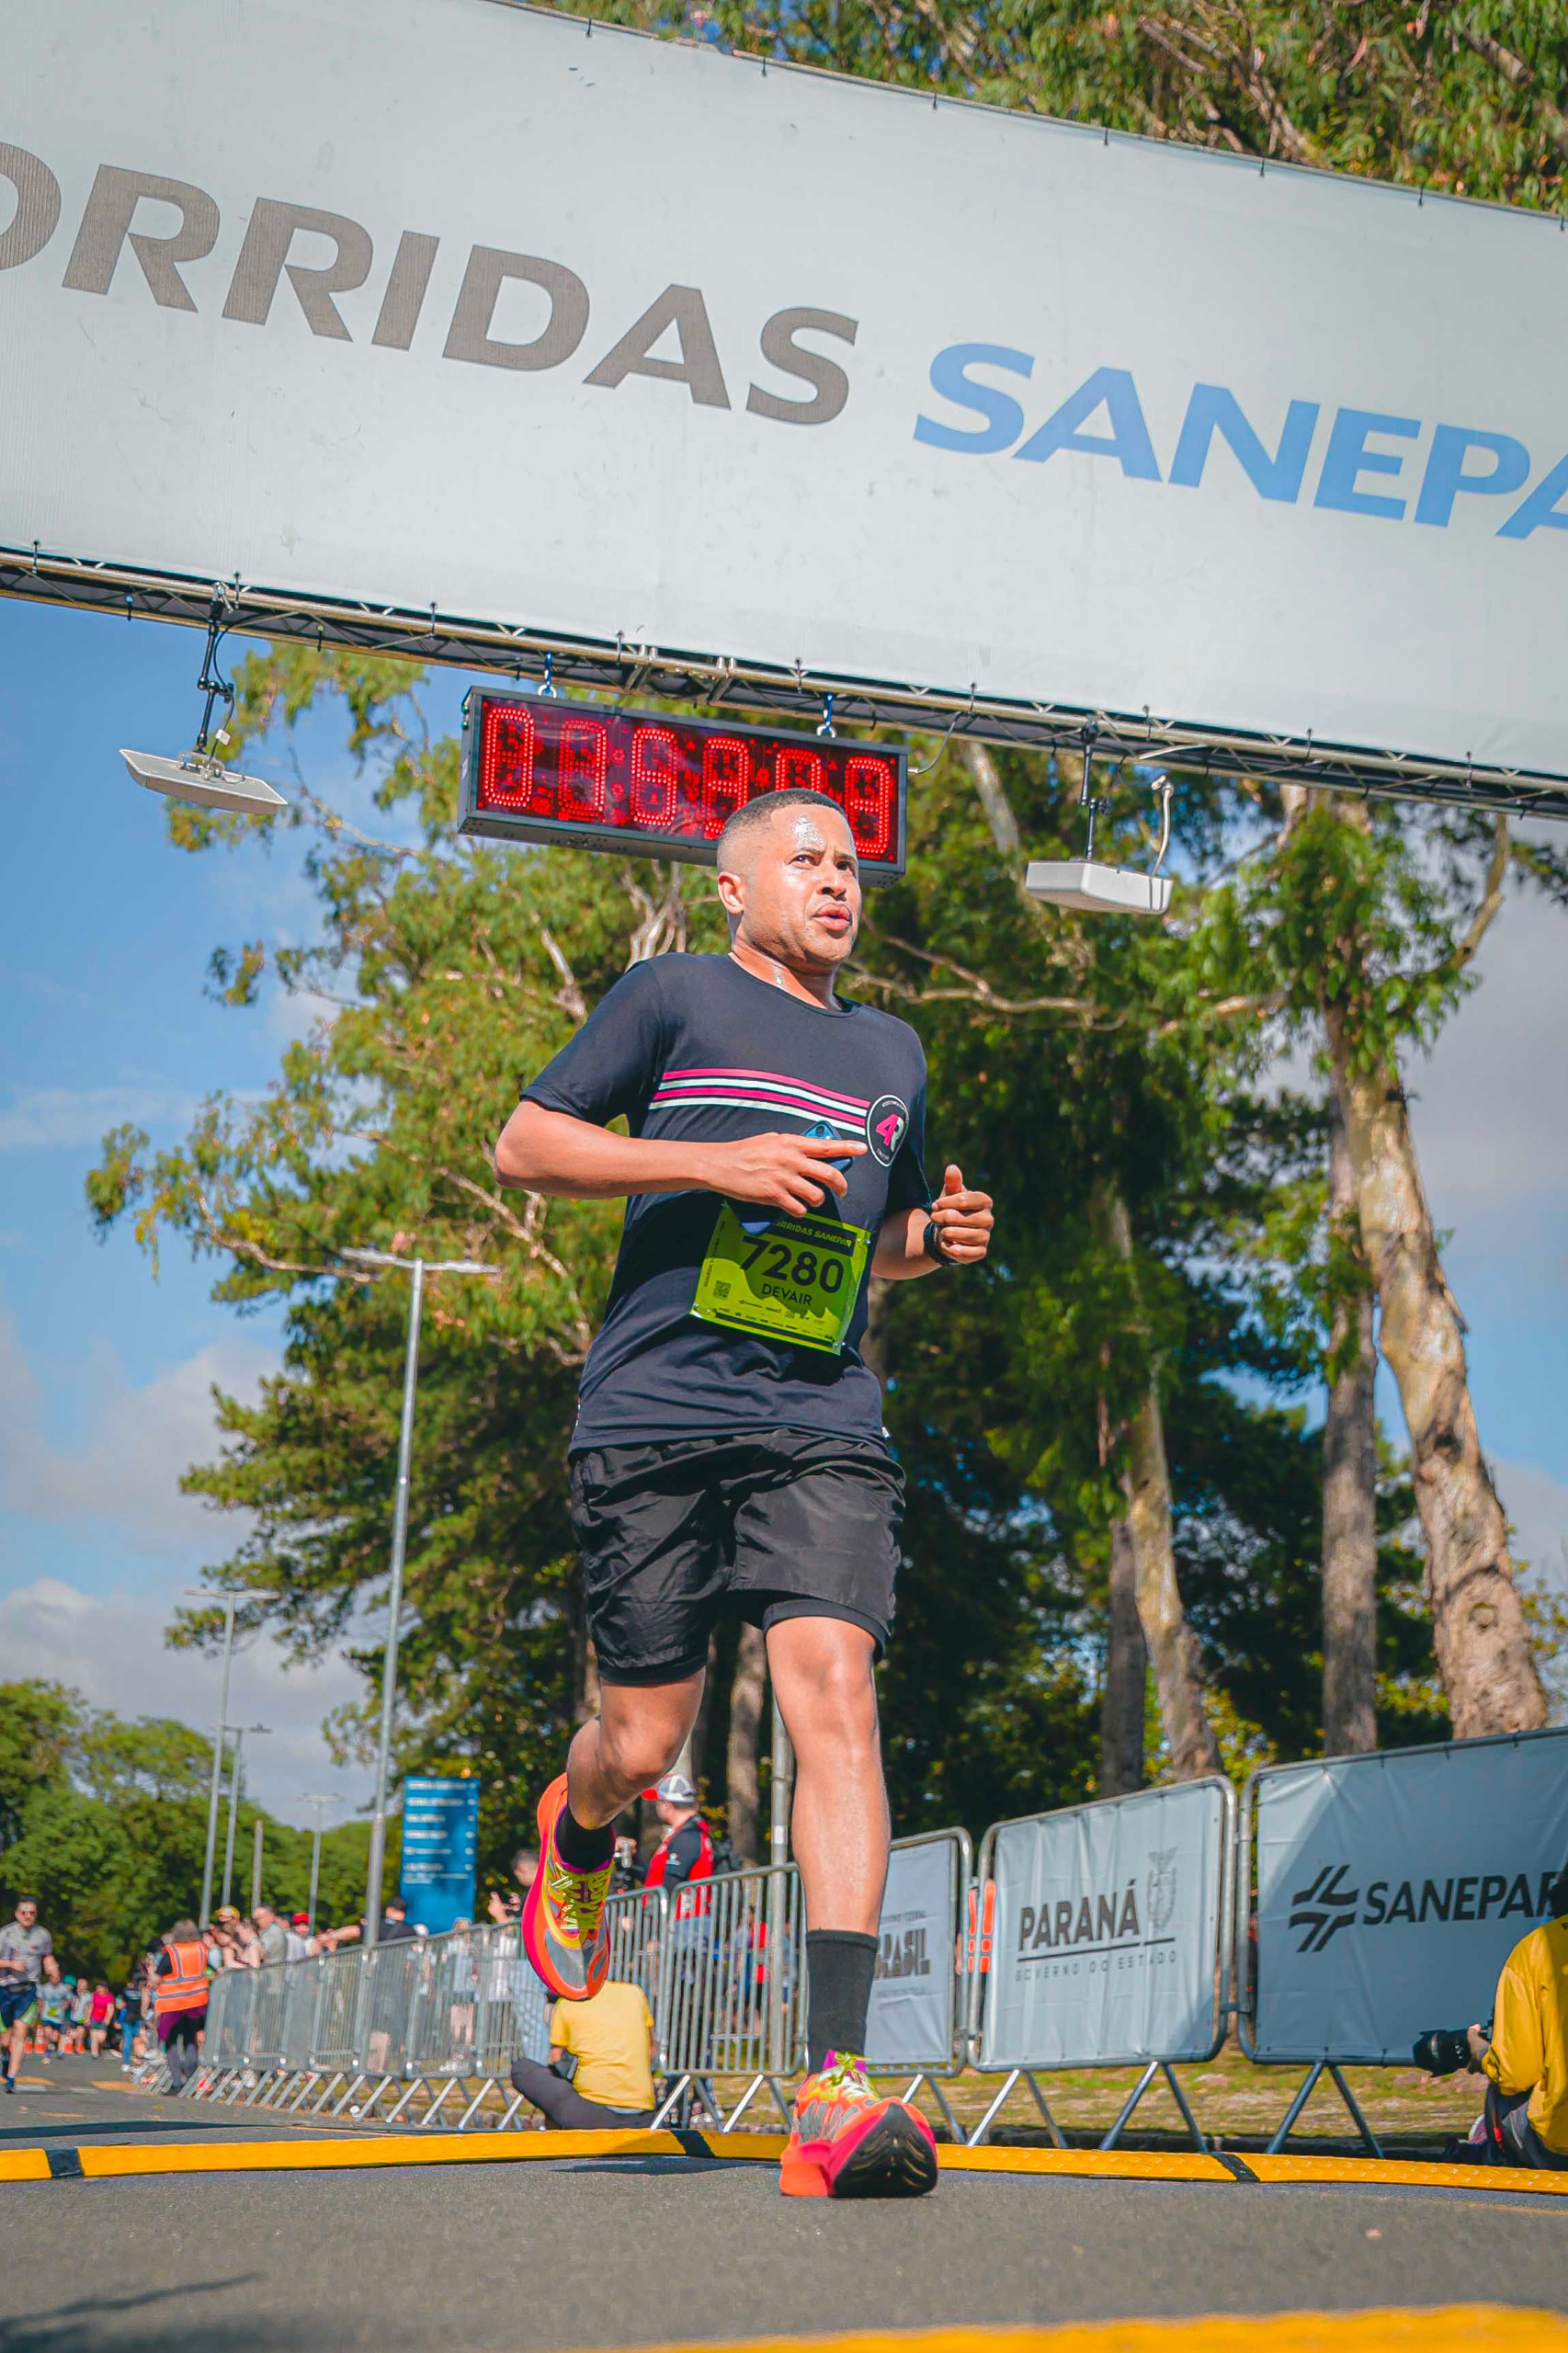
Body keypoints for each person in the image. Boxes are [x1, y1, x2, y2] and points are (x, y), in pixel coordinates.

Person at [496, 786, 994, 2200]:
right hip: (654, 1409)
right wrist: (706, 1160)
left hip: (819, 1414)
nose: (836, 881)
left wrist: (930, 1236)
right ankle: (575, 1831)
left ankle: (832, 2085)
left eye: (850, 865)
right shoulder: (671, 999)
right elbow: (525, 1147)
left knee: (834, 1687)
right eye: (806, 859)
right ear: (733, 886)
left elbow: (871, 1234)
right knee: (645, 1744)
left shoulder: (890, 1045)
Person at [1467, 1864, 1568, 2171]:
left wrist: (1478, 2048)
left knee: (1503, 2085)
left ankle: (1490, 2151)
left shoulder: (1536, 1951)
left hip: (1559, 2145)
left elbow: (1515, 2074)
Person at [510, 1978, 657, 2131]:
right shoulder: (634, 1993)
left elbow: (556, 2059)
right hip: (642, 2116)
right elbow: (651, 2050)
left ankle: (558, 2134)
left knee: (522, 2069)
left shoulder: (567, 2002)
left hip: (592, 2116)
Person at [0, 1899, 57, 2093]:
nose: (27, 1916)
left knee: (20, 2033)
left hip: (28, 1990)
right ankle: (5, 2057)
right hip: (5, 1988)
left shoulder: (42, 1935)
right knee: (5, 2039)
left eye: (31, 1912)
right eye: (24, 1912)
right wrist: (10, 1965)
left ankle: (11, 2078)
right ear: (17, 1913)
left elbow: (48, 1955)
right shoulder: (6, 1934)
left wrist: (52, 1967)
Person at [152, 1915, 210, 2095]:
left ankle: (177, 2081)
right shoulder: (202, 1949)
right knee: (190, 2039)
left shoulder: (173, 1951)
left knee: (170, 2042)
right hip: (196, 2001)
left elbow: (158, 1975)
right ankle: (191, 2078)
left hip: (173, 2003)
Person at [643, 1773, 715, 1911]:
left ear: (666, 1805)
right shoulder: (687, 1832)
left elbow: (672, 1881)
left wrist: (651, 1914)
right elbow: (661, 1876)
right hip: (684, 1922)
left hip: (685, 1923)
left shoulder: (688, 1836)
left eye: (658, 1802)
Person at [87, 1981, 114, 2057]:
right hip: (94, 2018)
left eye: (100, 1988)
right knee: (94, 2037)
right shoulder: (94, 1995)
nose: (99, 1989)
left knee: (101, 2038)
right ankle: (94, 2053)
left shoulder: (109, 1996)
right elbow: (91, 2006)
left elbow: (110, 2008)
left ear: (105, 1989)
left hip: (103, 2019)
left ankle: (99, 2048)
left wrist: (108, 2019)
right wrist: (88, 2018)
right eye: (98, 1987)